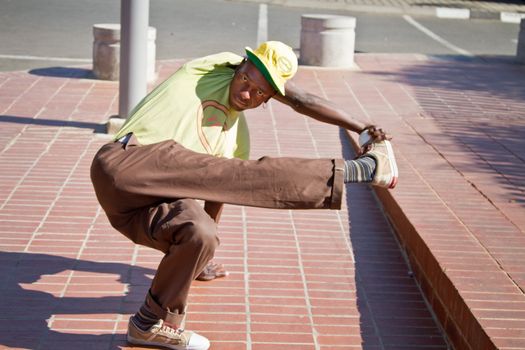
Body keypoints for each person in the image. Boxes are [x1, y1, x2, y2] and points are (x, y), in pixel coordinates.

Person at [90, 41, 398, 350]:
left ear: (268, 99)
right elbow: (301, 99)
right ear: (238, 68)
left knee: (204, 231)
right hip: (125, 162)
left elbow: (218, 191)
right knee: (240, 172)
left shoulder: (236, 140)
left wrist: (198, 255)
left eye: (259, 93)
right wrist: (364, 129)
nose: (246, 92)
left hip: (135, 209)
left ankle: (149, 324)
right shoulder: (208, 70)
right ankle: (360, 171)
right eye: (245, 80)